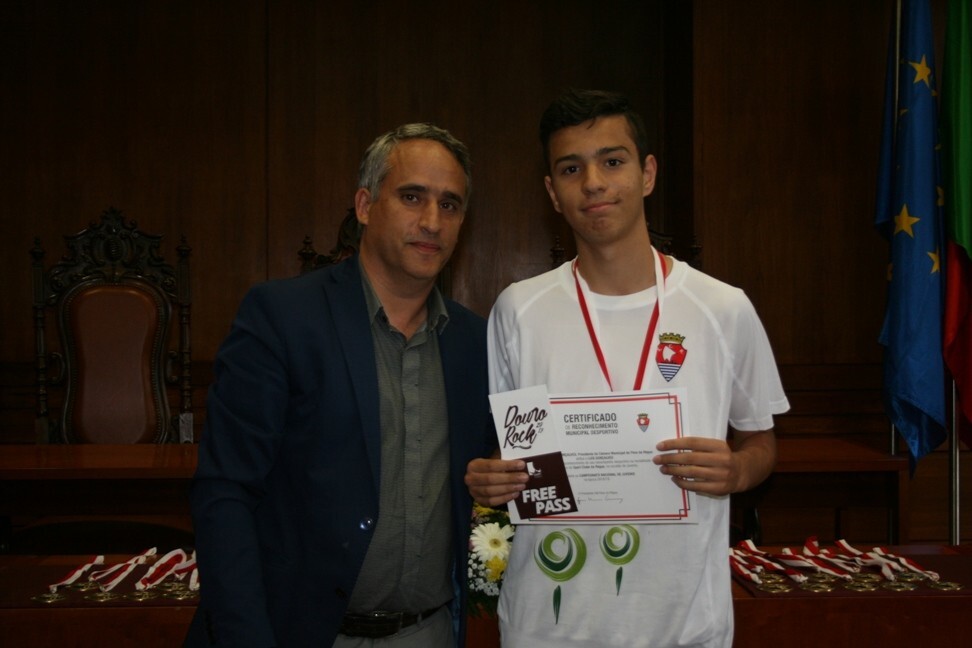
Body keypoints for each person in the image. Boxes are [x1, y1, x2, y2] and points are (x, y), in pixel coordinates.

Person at [465, 89, 790, 647]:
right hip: (549, 627)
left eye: (612, 161)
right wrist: (492, 477)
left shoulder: (722, 308)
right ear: (553, 192)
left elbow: (761, 440)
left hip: (683, 626)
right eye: (571, 168)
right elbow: (512, 455)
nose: (593, 182)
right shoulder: (519, 310)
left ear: (647, 174)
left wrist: (738, 470)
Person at [185, 123, 494, 648]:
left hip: (430, 631)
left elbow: (493, 478)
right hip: (302, 634)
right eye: (412, 196)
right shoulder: (282, 317)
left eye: (450, 204)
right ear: (365, 205)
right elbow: (225, 492)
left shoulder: (474, 341)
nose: (431, 221)